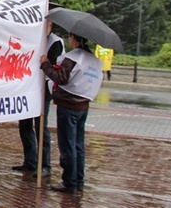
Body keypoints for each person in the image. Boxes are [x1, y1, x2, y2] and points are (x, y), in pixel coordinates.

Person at [40, 33, 103, 194]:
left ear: (74, 39)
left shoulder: (74, 57)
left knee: (68, 145)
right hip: (83, 106)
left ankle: (69, 181)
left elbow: (61, 78)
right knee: (78, 145)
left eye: (70, 37)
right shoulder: (93, 59)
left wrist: (45, 65)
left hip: (68, 106)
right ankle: (78, 180)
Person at [12, 21, 63, 176]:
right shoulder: (30, 38)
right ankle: (30, 161)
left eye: (46, 26)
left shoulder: (55, 42)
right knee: (24, 125)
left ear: (51, 27)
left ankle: (45, 165)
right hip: (27, 87)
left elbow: (53, 65)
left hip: (43, 89)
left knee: (41, 126)